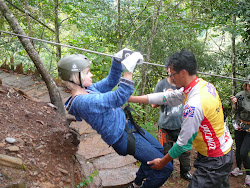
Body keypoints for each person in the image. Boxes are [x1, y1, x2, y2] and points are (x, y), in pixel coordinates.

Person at [57, 49, 173, 188]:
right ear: (75, 77)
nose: (91, 74)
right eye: (87, 72)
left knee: (159, 151)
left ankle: (136, 183)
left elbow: (110, 82)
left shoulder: (88, 89)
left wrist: (117, 61)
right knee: (166, 168)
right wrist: (128, 70)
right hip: (122, 137)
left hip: (127, 127)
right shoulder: (82, 102)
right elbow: (119, 96)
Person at [129, 49, 234, 188]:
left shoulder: (194, 105)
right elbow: (166, 97)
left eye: (173, 74)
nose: (171, 79)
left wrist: (162, 162)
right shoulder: (202, 85)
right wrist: (130, 98)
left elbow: (183, 144)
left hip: (215, 158)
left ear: (183, 72)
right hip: (220, 149)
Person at [152, 65, 192, 181]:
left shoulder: (183, 83)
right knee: (165, 151)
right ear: (167, 69)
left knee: (184, 151)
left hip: (182, 125)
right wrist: (165, 96)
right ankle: (168, 171)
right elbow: (153, 105)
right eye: (170, 67)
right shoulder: (161, 85)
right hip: (165, 125)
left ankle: (185, 172)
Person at [230, 74, 250, 186]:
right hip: (240, 125)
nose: (249, 88)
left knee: (244, 151)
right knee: (238, 148)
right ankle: (238, 167)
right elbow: (235, 112)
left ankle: (248, 173)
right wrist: (235, 104)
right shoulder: (241, 95)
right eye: (248, 85)